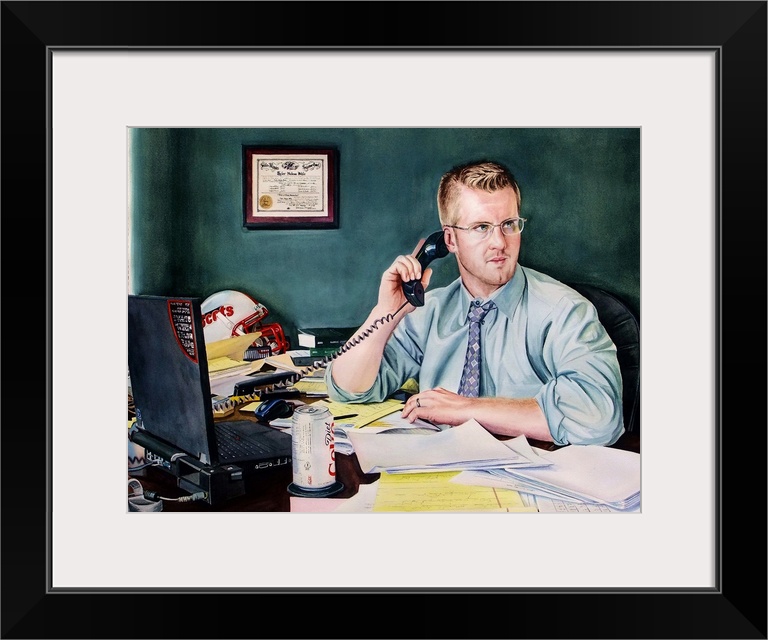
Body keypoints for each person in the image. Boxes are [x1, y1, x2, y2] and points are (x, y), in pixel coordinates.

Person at [325, 160, 624, 446]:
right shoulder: (431, 312)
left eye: (509, 224)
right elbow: (348, 389)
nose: (499, 242)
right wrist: (385, 313)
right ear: (449, 241)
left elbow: (599, 417)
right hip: (438, 475)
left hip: (527, 484)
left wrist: (466, 409)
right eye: (481, 227)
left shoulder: (564, 311)